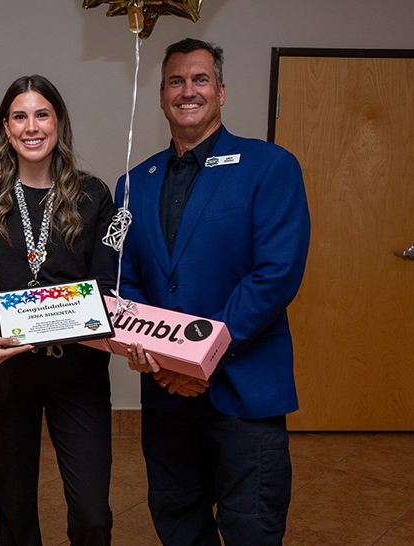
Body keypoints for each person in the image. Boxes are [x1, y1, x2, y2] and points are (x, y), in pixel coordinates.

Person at [117, 38, 311, 545]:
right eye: (176, 82)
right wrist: (166, 362)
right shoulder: (133, 185)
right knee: (177, 523)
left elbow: (274, 276)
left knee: (252, 528)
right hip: (166, 399)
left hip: (243, 391)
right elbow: (128, 280)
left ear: (221, 91)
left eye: (199, 79)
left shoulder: (269, 167)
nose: (188, 91)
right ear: (161, 96)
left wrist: (201, 361)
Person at [0, 75, 116, 546]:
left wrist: (107, 320)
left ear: (58, 122)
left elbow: (104, 283)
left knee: (92, 515)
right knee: (15, 510)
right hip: (6, 367)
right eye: (19, 116)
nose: (31, 126)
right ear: (6, 126)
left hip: (79, 367)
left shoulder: (93, 193)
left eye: (42, 114)